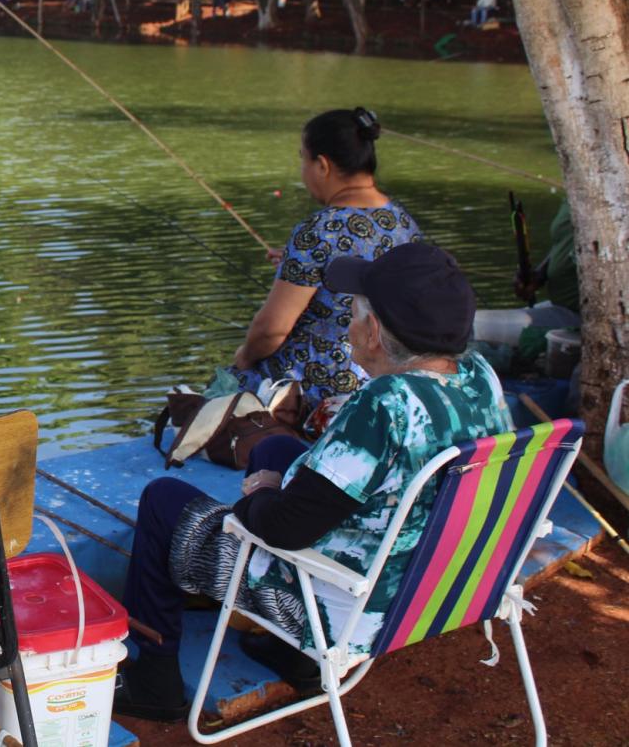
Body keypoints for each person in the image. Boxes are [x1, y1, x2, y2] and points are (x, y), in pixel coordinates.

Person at [117, 243, 512, 719]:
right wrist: (273, 475)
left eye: (354, 315)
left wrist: (262, 493)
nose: (348, 327)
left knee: (164, 499)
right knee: (273, 450)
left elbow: (280, 529)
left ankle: (154, 680)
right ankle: (297, 658)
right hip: (440, 584)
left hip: (348, 607)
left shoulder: (384, 404)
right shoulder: (477, 375)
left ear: (374, 332)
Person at [226, 108, 425, 411]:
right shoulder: (404, 222)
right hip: (388, 375)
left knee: (231, 381)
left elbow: (271, 330)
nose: (302, 171)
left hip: (324, 386)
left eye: (303, 159)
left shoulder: (319, 230)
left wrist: (244, 357)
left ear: (322, 165)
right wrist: (295, 262)